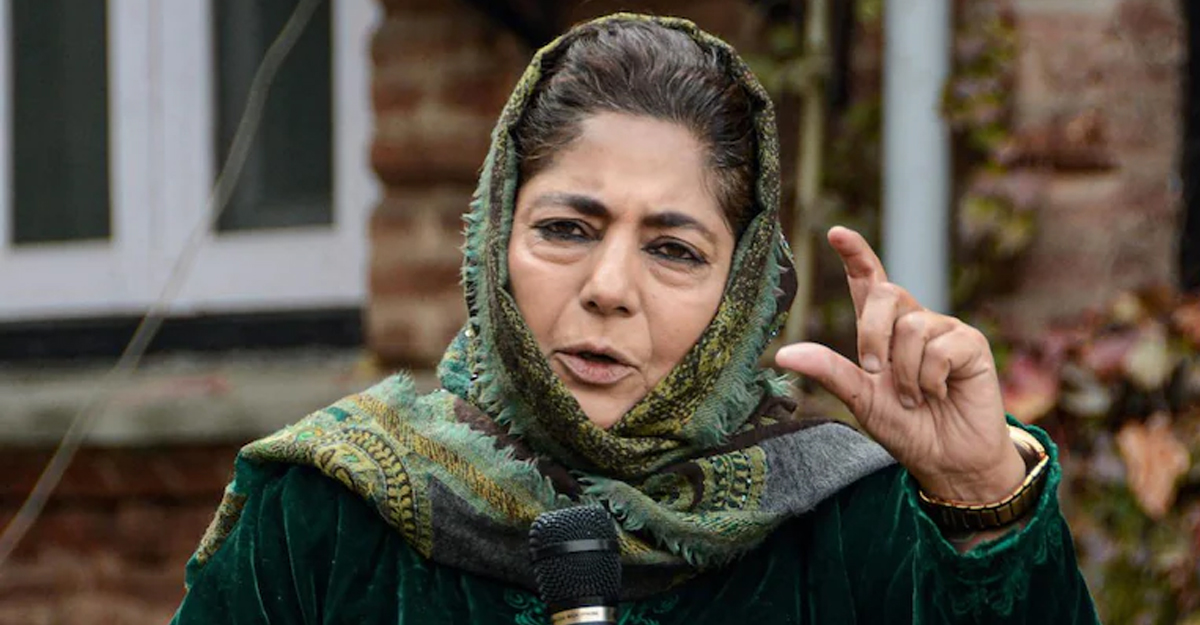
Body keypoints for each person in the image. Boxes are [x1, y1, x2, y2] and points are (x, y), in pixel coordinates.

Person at [171, 14, 1098, 624]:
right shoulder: (325, 514)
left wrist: (981, 494)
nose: (609, 287)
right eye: (566, 229)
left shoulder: (848, 528)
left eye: (674, 248)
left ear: (742, 291)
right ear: (496, 238)